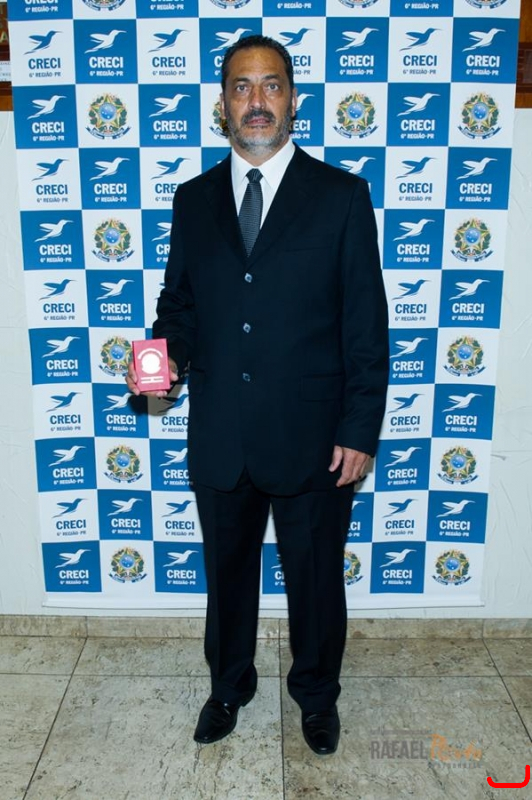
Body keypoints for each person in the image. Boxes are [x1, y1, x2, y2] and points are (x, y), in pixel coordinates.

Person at [127, 34, 389, 755]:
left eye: (271, 85)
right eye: (241, 87)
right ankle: (227, 687)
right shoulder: (193, 199)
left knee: (315, 580)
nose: (257, 101)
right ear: (222, 104)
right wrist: (161, 360)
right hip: (221, 431)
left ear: (293, 99)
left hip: (314, 436)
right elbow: (180, 306)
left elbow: (365, 325)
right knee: (228, 578)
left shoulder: (341, 196)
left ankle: (317, 697)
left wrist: (359, 429)